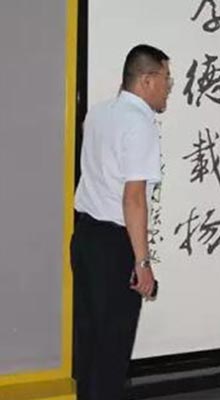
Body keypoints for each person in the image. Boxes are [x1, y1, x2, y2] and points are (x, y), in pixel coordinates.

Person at [70, 44, 173, 400]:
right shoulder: (140, 123)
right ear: (147, 80)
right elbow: (133, 198)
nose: (169, 87)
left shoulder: (98, 113)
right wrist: (142, 262)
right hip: (115, 246)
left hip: (86, 237)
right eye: (166, 79)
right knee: (111, 353)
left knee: (90, 347)